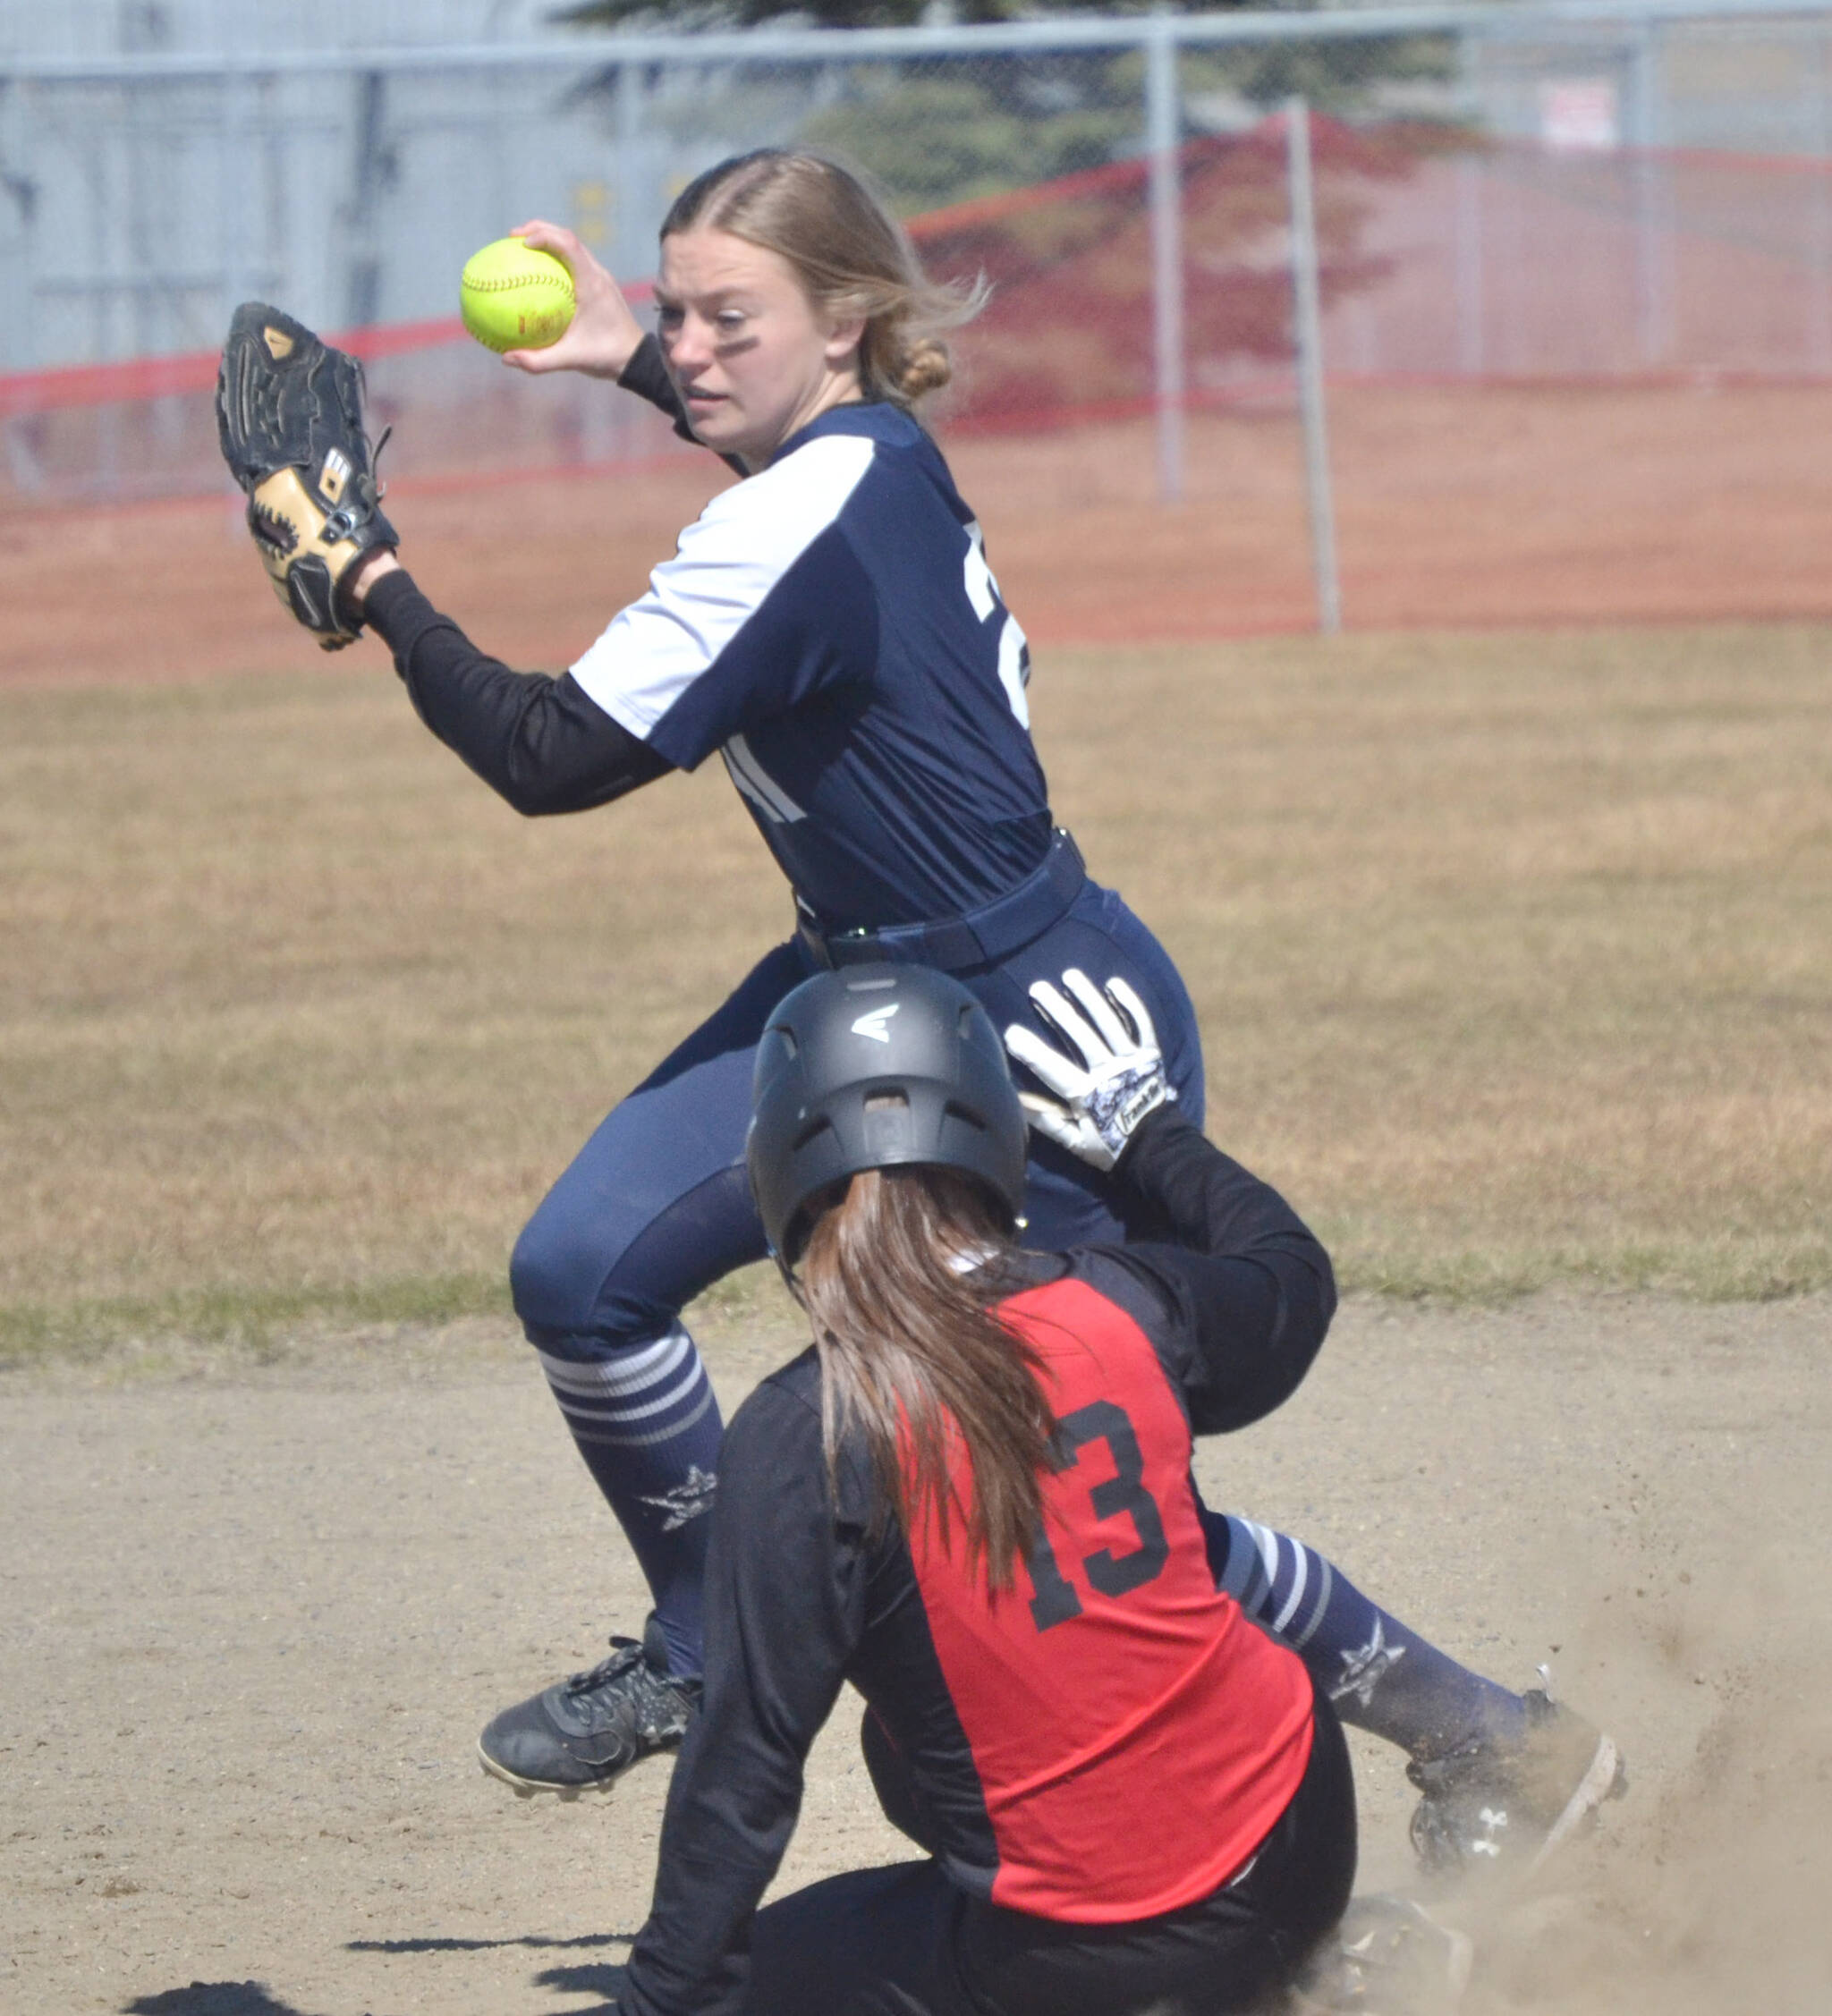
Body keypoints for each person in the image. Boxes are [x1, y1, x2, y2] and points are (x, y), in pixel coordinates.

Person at [319, 146, 1619, 1875]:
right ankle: (701, 1641)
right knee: (584, 1272)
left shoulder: (796, 516)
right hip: (856, 989)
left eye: (729, 317)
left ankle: (1488, 1739)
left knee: (1049, 1498)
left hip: (1028, 1024)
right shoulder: (864, 456)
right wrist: (633, 349)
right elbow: (783, 478)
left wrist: (368, 583)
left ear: (844, 321)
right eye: (681, 308)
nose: (693, 348)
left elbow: (551, 755)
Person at [614, 957, 1357, 2016]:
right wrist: (1150, 1133)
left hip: (1105, 1963)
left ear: (776, 1170)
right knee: (903, 1744)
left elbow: (741, 1779)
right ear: (994, 1140)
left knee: (776, 1979)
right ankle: (1317, 1966)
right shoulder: (1123, 1302)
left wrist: (662, 2002)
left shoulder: (804, 1431)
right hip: (1304, 1829)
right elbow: (1288, 1273)